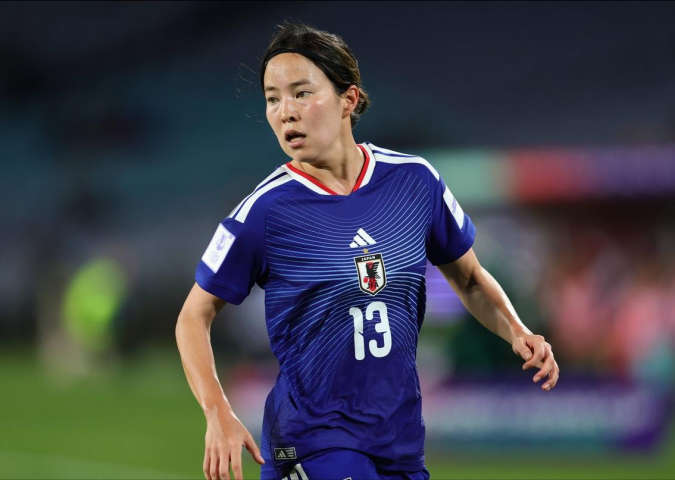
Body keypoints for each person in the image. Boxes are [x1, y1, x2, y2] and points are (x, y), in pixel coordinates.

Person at [175, 22, 560, 480]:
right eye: (272, 99)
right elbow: (193, 315)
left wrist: (518, 332)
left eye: (301, 93)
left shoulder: (415, 182)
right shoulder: (266, 210)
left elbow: (471, 279)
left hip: (399, 439)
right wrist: (217, 410)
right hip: (313, 440)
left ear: (349, 99)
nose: (285, 112)